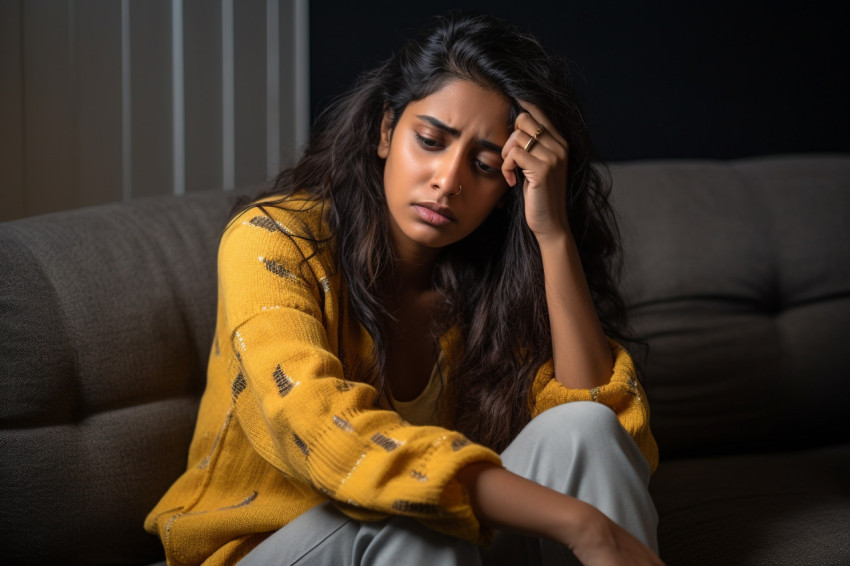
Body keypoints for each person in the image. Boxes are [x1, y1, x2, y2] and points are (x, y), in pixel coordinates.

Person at [145, 12, 662, 566]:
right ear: (386, 131)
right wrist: (581, 525)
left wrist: (552, 232)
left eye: (486, 166)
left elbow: (612, 435)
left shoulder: (490, 285)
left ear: (509, 188)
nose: (448, 180)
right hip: (262, 550)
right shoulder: (273, 241)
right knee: (417, 515)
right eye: (431, 141)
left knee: (584, 428)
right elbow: (317, 427)